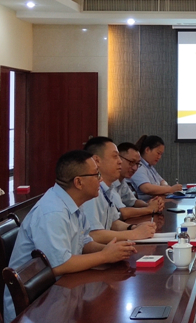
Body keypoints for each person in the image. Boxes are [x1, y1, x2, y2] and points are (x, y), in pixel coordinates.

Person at [3, 150, 137, 323]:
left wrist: (114, 251)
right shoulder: (53, 212)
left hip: (59, 294)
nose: (100, 179)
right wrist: (105, 256)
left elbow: (84, 242)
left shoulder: (72, 204)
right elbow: (59, 264)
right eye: (96, 174)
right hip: (34, 310)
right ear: (78, 182)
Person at [80, 137, 156, 244]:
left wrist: (134, 227)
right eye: (115, 156)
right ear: (97, 161)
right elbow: (93, 234)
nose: (120, 161)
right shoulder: (90, 191)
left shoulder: (108, 188)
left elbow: (113, 223)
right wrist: (134, 234)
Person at [113, 142, 165, 219]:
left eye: (137, 164)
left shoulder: (122, 181)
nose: (135, 168)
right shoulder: (109, 182)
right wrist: (150, 209)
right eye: (131, 162)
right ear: (118, 159)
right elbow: (123, 212)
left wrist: (150, 205)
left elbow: (133, 202)